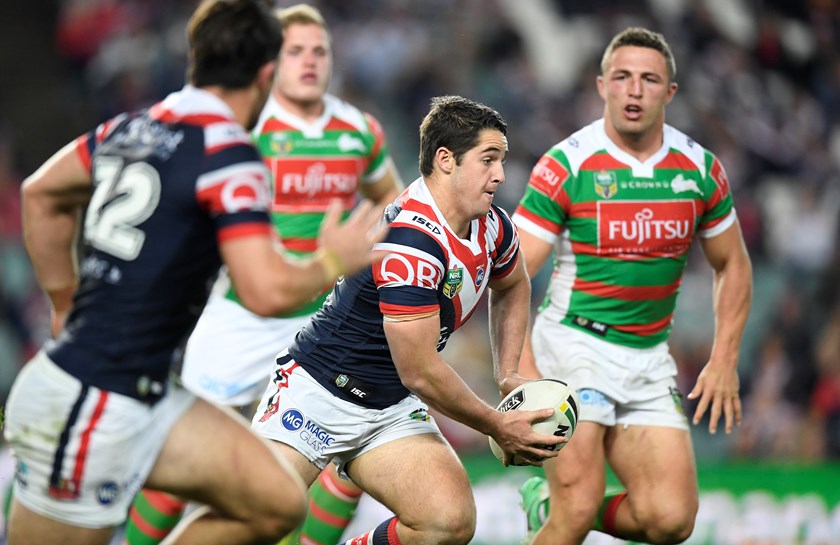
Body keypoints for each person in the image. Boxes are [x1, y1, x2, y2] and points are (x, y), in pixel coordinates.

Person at [1, 1, 388, 544]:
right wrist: (334, 261)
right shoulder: (230, 151)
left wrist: (64, 301)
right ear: (264, 74)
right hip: (90, 399)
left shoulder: (132, 125)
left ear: (195, 58)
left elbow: (40, 192)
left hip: (147, 389)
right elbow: (266, 290)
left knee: (275, 504)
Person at [122, 5, 404, 545]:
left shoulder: (357, 131)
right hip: (243, 313)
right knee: (188, 460)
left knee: (347, 445)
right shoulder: (246, 127)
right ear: (271, 63)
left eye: (319, 51)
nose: (309, 62)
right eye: (294, 51)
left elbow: (391, 202)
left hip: (326, 321)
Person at [246, 95, 566, 545]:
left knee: (448, 523)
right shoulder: (410, 240)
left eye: (502, 160)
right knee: (251, 520)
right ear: (445, 160)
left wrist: (507, 371)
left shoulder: (493, 224)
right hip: (319, 392)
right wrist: (497, 425)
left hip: (389, 405)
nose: (500, 175)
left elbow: (513, 284)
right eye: (488, 160)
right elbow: (420, 371)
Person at [513, 27, 753, 545]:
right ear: (602, 86)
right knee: (576, 515)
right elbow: (512, 275)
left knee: (670, 520)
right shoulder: (566, 165)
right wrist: (519, 370)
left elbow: (732, 263)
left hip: (648, 357)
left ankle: (545, 503)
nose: (635, 90)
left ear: (670, 93)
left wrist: (725, 358)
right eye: (622, 77)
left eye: (649, 79)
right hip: (574, 346)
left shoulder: (700, 170)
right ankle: (561, 506)